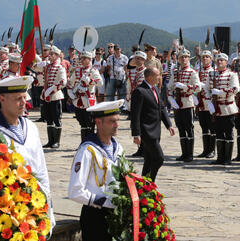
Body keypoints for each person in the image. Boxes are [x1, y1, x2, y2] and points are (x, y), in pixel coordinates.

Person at [0, 76, 55, 227]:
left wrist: (48, 203)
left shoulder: (30, 127)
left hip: (34, 206)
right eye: (18, 98)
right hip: (6, 215)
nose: (24, 103)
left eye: (25, 97)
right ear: (2, 98)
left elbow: (41, 167)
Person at [68, 99, 124, 241]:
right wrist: (103, 201)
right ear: (99, 122)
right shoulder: (87, 150)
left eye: (118, 120)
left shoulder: (118, 148)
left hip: (116, 214)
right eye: (112, 121)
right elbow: (75, 191)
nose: (117, 125)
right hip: (95, 216)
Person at [131, 67, 175, 181]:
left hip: (156, 130)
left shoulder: (154, 88)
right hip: (146, 131)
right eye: (157, 75)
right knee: (159, 158)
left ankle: (145, 186)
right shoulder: (139, 91)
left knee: (149, 160)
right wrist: (136, 134)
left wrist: (168, 125)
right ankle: (150, 181)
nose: (159, 77)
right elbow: (135, 115)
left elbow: (161, 108)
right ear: (150, 76)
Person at [167, 48, 201, 162]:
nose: (184, 59)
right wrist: (170, 98)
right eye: (182, 57)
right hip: (177, 104)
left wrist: (185, 87)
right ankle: (184, 153)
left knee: (189, 128)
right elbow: (169, 87)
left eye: (186, 57)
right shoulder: (176, 72)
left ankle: (190, 154)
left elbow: (198, 87)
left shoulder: (192, 72)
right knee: (180, 128)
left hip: (187, 102)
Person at [206, 53, 239, 165]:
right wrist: (209, 102)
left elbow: (235, 89)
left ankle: (227, 158)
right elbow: (206, 89)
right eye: (218, 60)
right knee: (218, 133)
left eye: (222, 60)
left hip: (228, 107)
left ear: (226, 62)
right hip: (216, 108)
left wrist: (221, 92)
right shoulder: (211, 75)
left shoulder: (232, 75)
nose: (220, 62)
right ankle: (220, 158)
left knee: (228, 133)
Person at [36, 46, 67, 148]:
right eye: (50, 54)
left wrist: (52, 89)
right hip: (46, 95)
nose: (50, 55)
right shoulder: (47, 66)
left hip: (55, 95)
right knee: (49, 119)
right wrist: (39, 64)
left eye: (53, 54)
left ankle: (56, 141)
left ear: (57, 55)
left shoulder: (60, 67)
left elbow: (63, 82)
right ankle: (50, 141)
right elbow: (33, 67)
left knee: (56, 118)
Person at [68, 50, 102, 141]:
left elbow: (100, 83)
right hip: (79, 100)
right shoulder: (77, 70)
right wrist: (70, 92)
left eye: (84, 58)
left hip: (88, 99)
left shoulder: (93, 70)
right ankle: (84, 141)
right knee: (82, 121)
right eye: (81, 58)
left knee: (90, 122)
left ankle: (90, 141)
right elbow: (70, 82)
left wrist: (90, 81)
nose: (82, 60)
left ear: (89, 59)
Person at [195, 50, 215, 158]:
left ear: (211, 59)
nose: (205, 59)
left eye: (207, 57)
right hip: (201, 101)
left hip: (210, 102)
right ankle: (205, 149)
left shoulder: (213, 71)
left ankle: (212, 150)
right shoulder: (199, 71)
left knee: (212, 127)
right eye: (203, 57)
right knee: (204, 127)